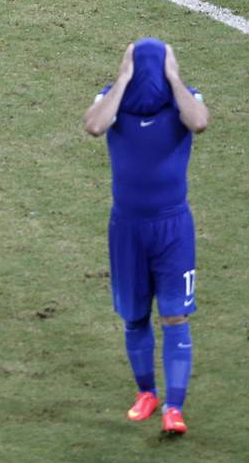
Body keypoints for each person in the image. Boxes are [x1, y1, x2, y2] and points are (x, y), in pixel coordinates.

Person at [83, 38, 209, 436]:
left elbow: (200, 121)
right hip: (128, 228)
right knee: (134, 315)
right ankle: (146, 393)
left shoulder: (182, 103)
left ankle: (174, 407)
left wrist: (174, 79)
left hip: (173, 228)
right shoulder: (112, 103)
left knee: (174, 314)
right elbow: (94, 125)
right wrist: (121, 81)